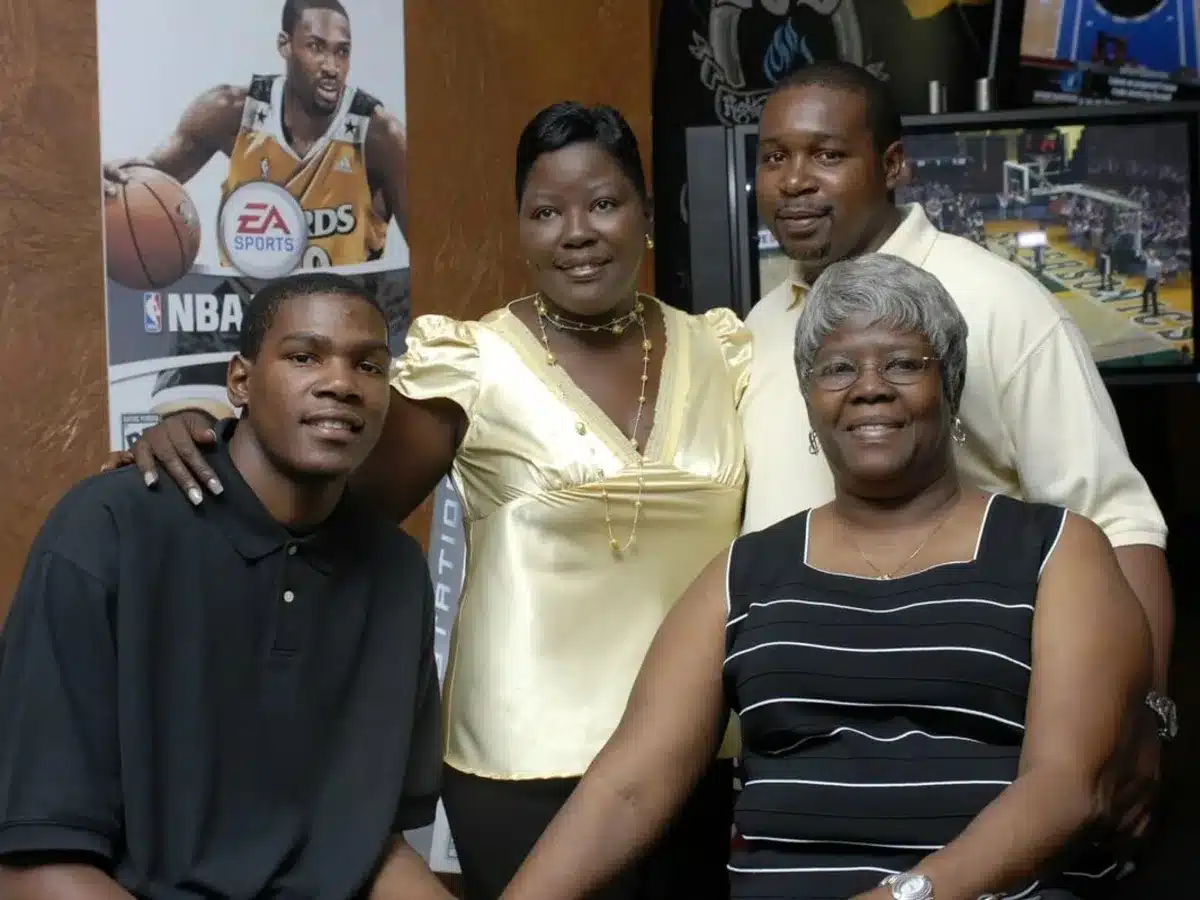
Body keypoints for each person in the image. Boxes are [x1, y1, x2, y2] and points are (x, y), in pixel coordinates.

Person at [104, 102, 751, 900]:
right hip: (525, 770)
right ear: (520, 228)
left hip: (711, 759)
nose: (576, 232)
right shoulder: (473, 362)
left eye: (604, 204)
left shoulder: (726, 353)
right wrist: (198, 438)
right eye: (545, 212)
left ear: (647, 215)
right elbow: (324, 513)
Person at [499, 252, 1153, 900]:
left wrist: (907, 896)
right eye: (838, 368)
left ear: (949, 391)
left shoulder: (1058, 553)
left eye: (903, 363)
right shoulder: (746, 574)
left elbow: (1069, 787)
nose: (869, 386)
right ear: (812, 404)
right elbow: (629, 786)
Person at [737, 62, 1176, 807]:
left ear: (894, 166)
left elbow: (1117, 522)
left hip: (979, 749)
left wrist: (1147, 718)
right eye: (775, 157)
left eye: (828, 155)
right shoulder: (761, 324)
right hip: (801, 747)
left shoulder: (999, 303)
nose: (794, 181)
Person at [0, 273, 450, 900]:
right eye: (303, 357)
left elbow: (370, 851)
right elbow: (32, 868)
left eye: (369, 366)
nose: (341, 384)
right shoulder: (107, 532)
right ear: (240, 380)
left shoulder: (397, 572)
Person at [103, 0, 408, 263]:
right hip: (254, 314)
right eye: (316, 47)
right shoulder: (229, 112)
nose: (332, 66)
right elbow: (147, 181)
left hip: (344, 316)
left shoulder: (379, 137)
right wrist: (109, 184)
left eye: (342, 52)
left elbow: (434, 254)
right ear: (284, 44)